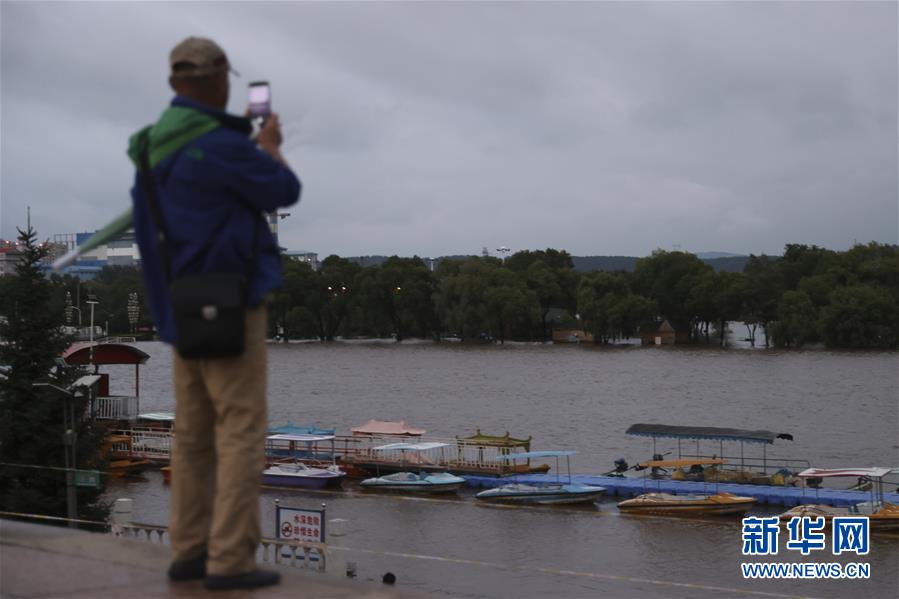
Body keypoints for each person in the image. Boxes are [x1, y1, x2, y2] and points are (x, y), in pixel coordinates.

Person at [127, 37, 300, 591]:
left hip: (178, 306)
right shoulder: (223, 147)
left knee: (193, 432)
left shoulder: (152, 148)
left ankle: (189, 550)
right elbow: (283, 188)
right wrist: (268, 145)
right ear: (222, 80)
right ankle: (230, 559)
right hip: (233, 303)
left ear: (176, 84)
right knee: (241, 429)